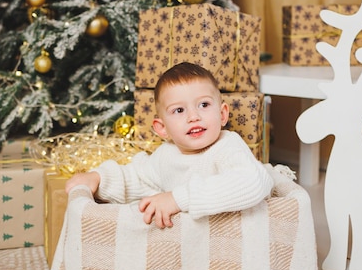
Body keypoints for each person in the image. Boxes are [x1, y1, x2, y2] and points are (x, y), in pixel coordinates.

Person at [65, 62, 274, 228]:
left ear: (222, 114)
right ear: (162, 128)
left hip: (228, 239)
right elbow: (136, 178)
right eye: (179, 111)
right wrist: (98, 178)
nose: (194, 116)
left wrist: (178, 199)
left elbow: (253, 181)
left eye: (204, 105)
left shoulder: (227, 146)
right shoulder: (166, 155)